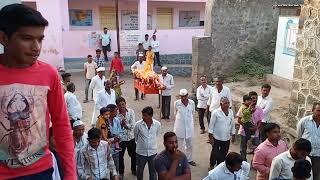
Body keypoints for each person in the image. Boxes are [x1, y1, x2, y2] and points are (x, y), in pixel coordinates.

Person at [0, 4, 76, 179]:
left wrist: (71, 175)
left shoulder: (49, 74)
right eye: (27, 38)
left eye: (40, 39)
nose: (36, 47)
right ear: (3, 37)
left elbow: (62, 126)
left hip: (41, 170)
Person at [208, 97, 235, 170]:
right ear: (221, 104)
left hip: (226, 137)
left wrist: (233, 134)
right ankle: (212, 164)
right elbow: (211, 126)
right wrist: (210, 138)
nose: (227, 105)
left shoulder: (231, 112)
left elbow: (232, 123)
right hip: (217, 137)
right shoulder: (215, 112)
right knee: (215, 152)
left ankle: (219, 166)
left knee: (224, 152)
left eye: (228, 103)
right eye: (225, 103)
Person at [134, 106, 161, 180]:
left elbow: (157, 134)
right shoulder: (138, 125)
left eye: (145, 116)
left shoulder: (157, 124)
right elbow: (135, 136)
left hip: (153, 152)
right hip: (141, 153)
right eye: (143, 115)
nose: (143, 117)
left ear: (151, 116)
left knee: (153, 172)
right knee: (140, 171)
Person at [297, 102, 320, 180]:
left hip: (318, 155)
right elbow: (299, 136)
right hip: (305, 154)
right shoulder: (304, 121)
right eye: (318, 110)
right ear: (312, 110)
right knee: (301, 174)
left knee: (316, 175)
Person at [174, 89, 197, 166]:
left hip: (189, 127)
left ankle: (189, 160)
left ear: (187, 96)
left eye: (185, 96)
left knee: (190, 145)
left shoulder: (192, 103)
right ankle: (178, 160)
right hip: (179, 127)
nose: (183, 98)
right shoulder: (176, 103)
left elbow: (193, 113)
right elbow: (175, 113)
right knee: (179, 146)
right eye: (182, 97)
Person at [238, 91, 263, 161]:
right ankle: (243, 162)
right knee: (243, 149)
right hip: (244, 132)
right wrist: (248, 128)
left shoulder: (259, 109)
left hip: (255, 132)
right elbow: (239, 120)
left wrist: (256, 128)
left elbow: (260, 121)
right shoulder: (243, 108)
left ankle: (254, 162)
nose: (255, 100)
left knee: (256, 149)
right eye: (252, 98)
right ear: (249, 99)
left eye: (256, 98)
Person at [116, 97, 137, 177]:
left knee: (133, 155)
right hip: (121, 140)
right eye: (119, 105)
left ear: (125, 103)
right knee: (120, 156)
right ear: (117, 106)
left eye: (123, 104)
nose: (121, 106)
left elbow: (133, 126)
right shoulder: (116, 115)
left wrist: (125, 125)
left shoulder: (131, 112)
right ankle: (121, 173)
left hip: (131, 138)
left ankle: (134, 169)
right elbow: (116, 128)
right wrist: (121, 126)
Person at [106, 104, 122, 174]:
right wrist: (113, 139)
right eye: (115, 111)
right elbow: (102, 138)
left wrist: (119, 138)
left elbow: (121, 132)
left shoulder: (117, 120)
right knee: (108, 170)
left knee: (116, 168)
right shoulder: (104, 122)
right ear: (110, 112)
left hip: (115, 149)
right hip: (107, 150)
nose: (117, 113)